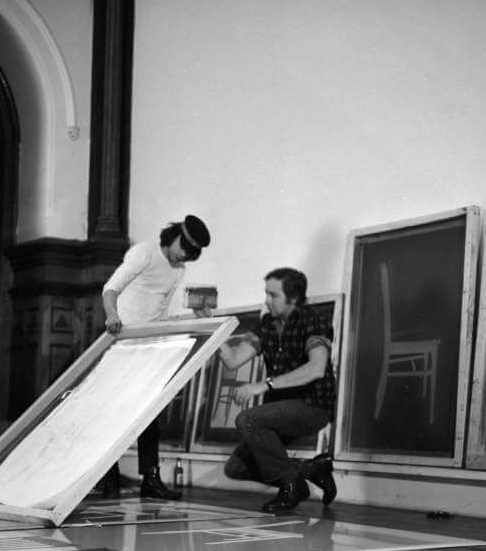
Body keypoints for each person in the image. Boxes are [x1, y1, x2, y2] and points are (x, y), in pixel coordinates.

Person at [99, 214, 211, 499]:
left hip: (148, 346)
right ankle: (108, 478)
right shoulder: (144, 253)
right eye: (184, 247)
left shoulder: (178, 270)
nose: (184, 255)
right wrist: (113, 316)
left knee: (149, 414)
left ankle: (151, 478)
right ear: (173, 236)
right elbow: (111, 288)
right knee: (110, 414)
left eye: (191, 253)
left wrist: (193, 318)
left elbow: (160, 312)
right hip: (121, 341)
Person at [218, 267, 337, 513]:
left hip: (312, 406)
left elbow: (316, 368)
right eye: (266, 294)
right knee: (236, 468)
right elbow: (233, 360)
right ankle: (310, 470)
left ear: (292, 298)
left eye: (273, 295)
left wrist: (265, 384)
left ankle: (293, 485)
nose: (266, 300)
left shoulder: (313, 321)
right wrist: (212, 328)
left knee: (248, 420)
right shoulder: (267, 325)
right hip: (280, 410)